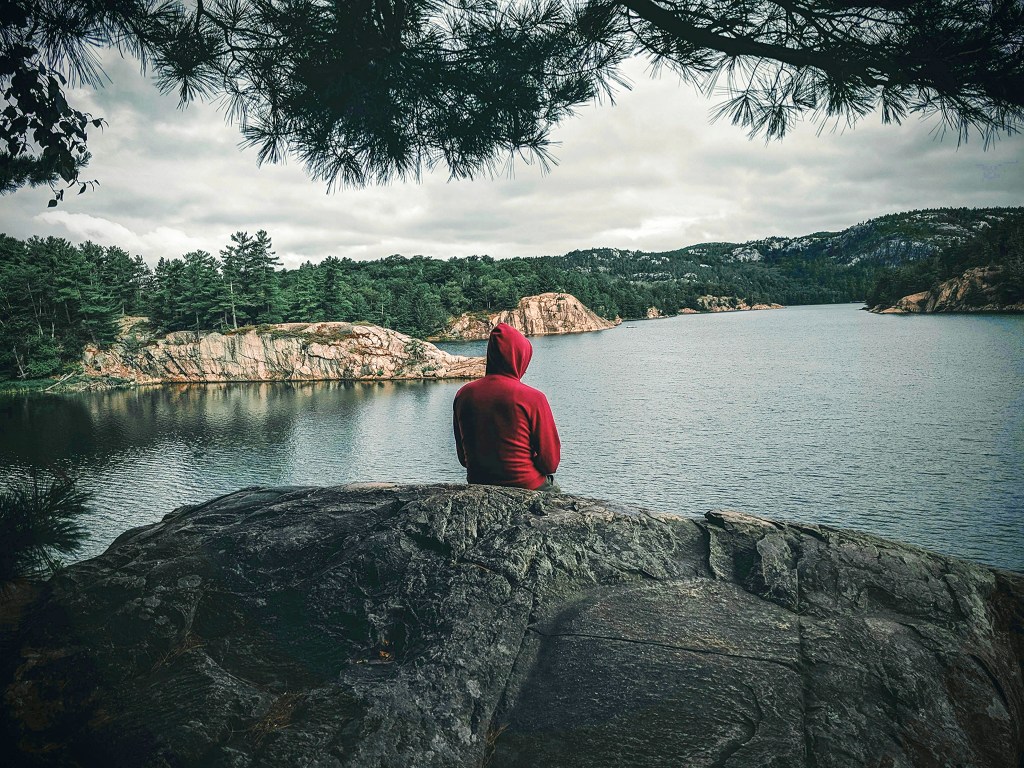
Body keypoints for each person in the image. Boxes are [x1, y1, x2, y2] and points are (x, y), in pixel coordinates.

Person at [453, 323, 561, 491]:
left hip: (478, 483)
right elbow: (550, 463)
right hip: (526, 485)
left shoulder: (463, 394)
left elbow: (463, 459)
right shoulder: (533, 398)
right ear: (519, 358)